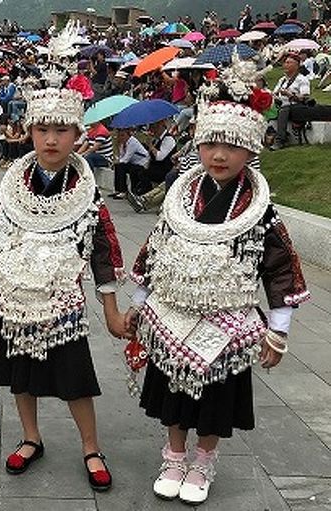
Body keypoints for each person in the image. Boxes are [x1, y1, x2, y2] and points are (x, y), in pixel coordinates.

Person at [126, 56, 309, 506]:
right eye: (211, 145)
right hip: (172, 311)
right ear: (199, 145)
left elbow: (280, 267)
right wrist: (137, 300)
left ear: (251, 149)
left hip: (229, 321)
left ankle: (204, 459)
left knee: (214, 397)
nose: (220, 156)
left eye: (232, 146)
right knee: (171, 391)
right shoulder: (179, 200)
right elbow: (154, 250)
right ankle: (173, 454)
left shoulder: (260, 210)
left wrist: (279, 330)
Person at [0, 87, 132, 492]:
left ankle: (91, 447)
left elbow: (102, 248)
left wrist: (111, 309)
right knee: (20, 375)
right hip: (13, 296)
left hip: (62, 300)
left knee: (74, 377)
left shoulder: (86, 188)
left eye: (61, 130)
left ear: (78, 133)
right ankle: (31, 437)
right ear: (29, 132)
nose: (52, 139)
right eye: (42, 129)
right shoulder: (12, 184)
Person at [271, 53, 310, 149]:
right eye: (285, 62)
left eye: (289, 63)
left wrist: (290, 95)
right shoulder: (282, 80)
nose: (285, 65)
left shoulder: (302, 79)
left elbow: (304, 98)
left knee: (284, 109)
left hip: (296, 106)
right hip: (280, 104)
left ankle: (280, 140)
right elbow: (274, 93)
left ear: (297, 65)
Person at [109, 128, 149, 199]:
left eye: (123, 135)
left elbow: (125, 159)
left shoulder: (133, 142)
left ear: (128, 135)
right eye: (119, 135)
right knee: (118, 166)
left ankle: (123, 191)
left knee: (120, 166)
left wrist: (117, 162)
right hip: (133, 163)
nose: (121, 137)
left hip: (142, 163)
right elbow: (121, 157)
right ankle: (118, 190)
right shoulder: (123, 144)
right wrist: (118, 146)